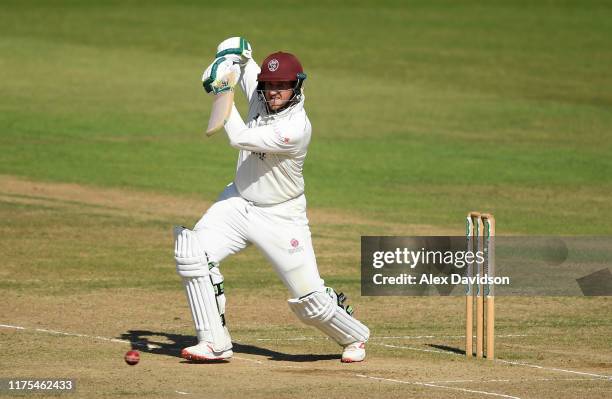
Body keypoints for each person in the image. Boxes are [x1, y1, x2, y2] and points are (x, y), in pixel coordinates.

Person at [173, 37, 370, 363]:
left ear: (297, 86)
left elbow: (237, 137)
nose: (274, 92)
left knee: (311, 303)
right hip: (238, 202)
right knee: (191, 253)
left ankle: (354, 336)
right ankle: (214, 343)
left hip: (281, 216)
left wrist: (222, 89)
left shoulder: (295, 129)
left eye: (283, 85)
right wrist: (231, 55)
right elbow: (243, 58)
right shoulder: (260, 95)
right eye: (269, 85)